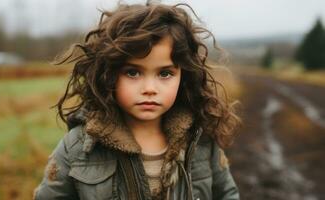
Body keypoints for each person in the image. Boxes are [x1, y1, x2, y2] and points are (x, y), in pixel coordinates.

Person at [34, 2, 242, 200]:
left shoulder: (201, 141)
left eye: (165, 73)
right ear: (109, 74)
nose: (149, 89)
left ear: (184, 76)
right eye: (133, 72)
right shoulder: (78, 149)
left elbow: (227, 194)